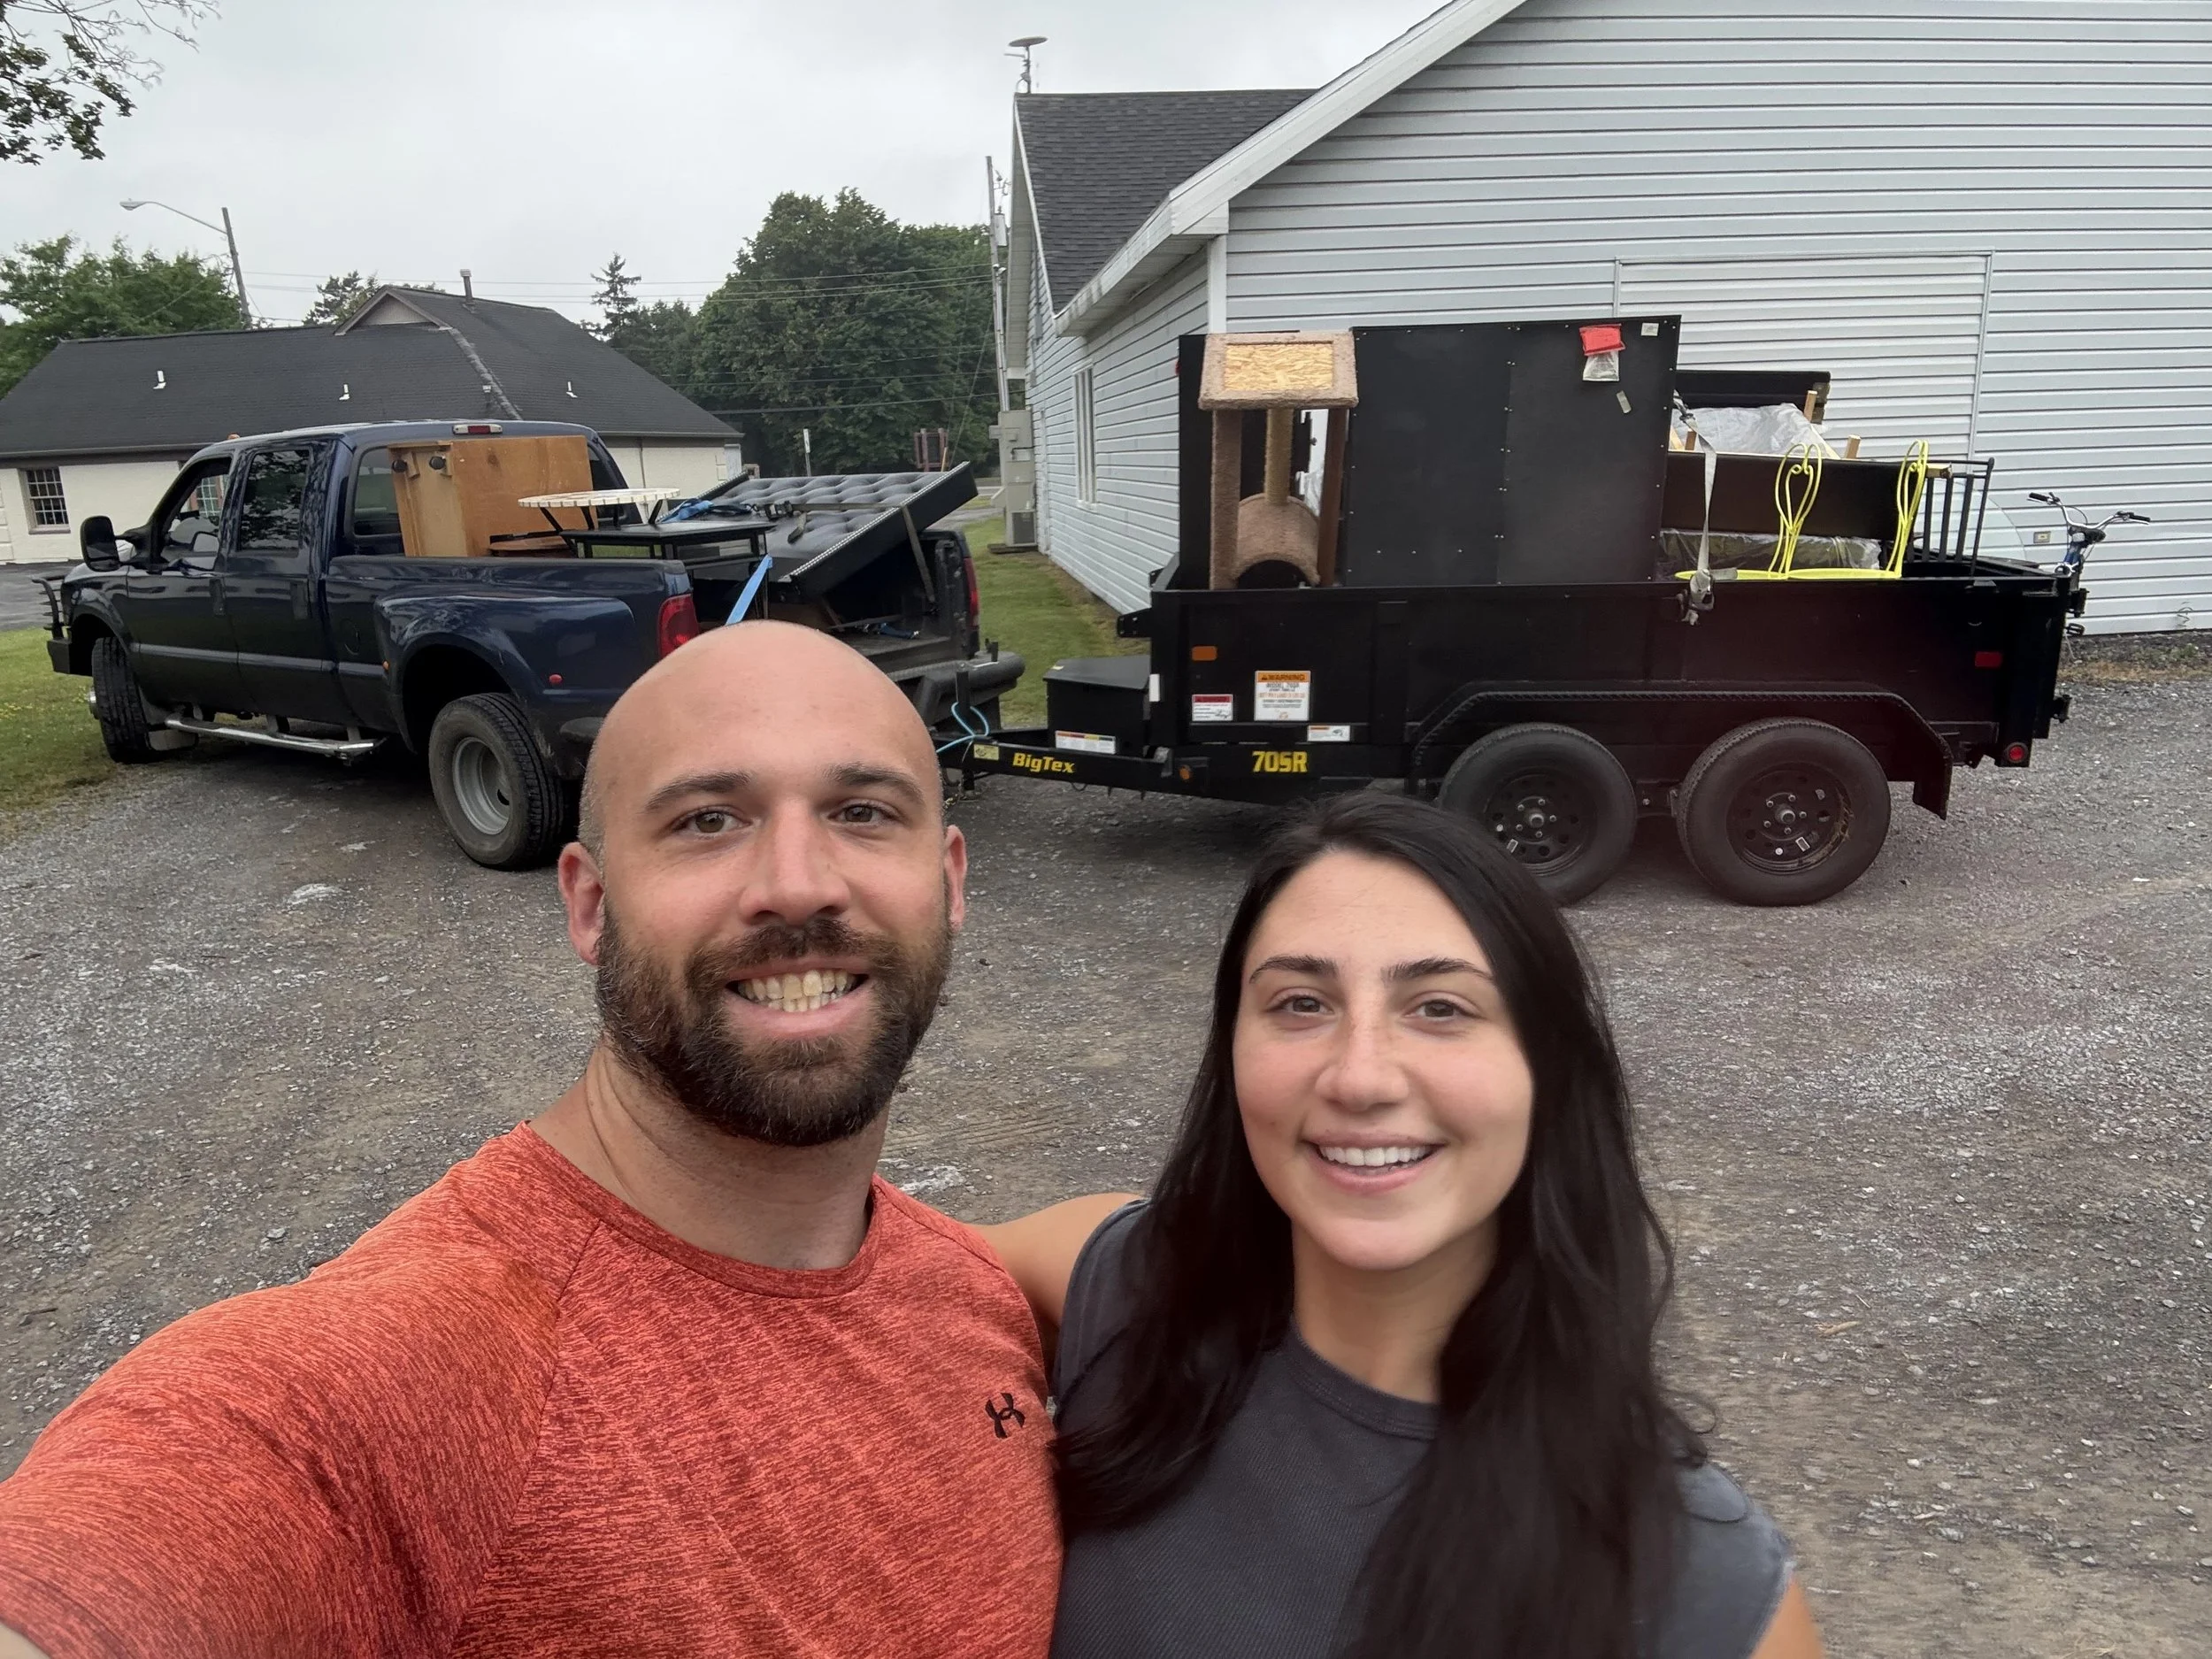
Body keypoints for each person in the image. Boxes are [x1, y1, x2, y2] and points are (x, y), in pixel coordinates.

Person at [0, 622, 1060, 1659]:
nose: (798, 881)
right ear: (591, 905)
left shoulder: (974, 1293)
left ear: (951, 883)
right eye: (705, 821)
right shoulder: (413, 1373)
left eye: (863, 811)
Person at [983, 793, 1825, 1659]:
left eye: (1440, 1009)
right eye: (1300, 1004)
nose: (1360, 1078)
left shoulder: (1707, 1592)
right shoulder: (1117, 1283)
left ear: (1549, 1072)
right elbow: (863, 1280)